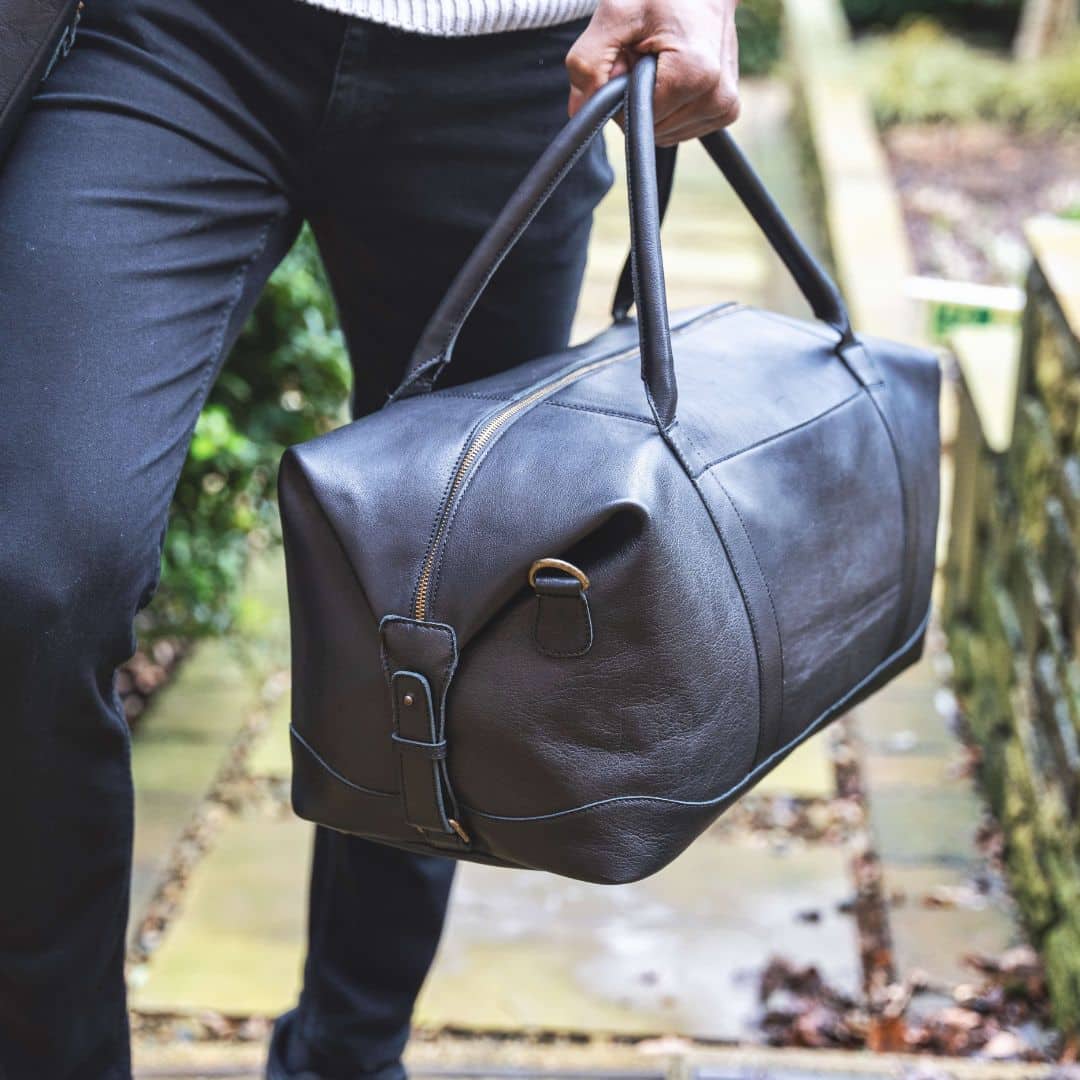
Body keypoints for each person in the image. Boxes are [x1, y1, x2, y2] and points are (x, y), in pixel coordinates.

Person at [0, 0, 741, 1076]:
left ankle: (348, 1055)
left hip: (517, 72)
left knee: (447, 608)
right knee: (32, 573)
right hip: (174, 42)